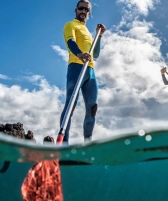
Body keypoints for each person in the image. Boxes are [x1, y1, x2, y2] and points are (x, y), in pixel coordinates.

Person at [60, 0, 106, 144]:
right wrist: (79, 54)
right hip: (76, 67)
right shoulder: (70, 25)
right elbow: (70, 42)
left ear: (89, 13)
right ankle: (64, 144)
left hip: (90, 71)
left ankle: (87, 145)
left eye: (86, 10)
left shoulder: (87, 31)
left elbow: (96, 53)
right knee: (70, 105)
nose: (83, 11)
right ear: (76, 10)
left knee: (92, 108)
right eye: (81, 8)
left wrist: (99, 37)